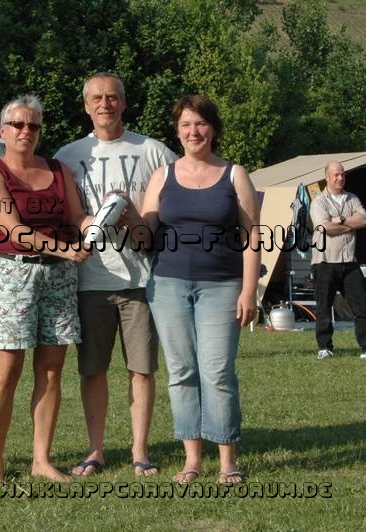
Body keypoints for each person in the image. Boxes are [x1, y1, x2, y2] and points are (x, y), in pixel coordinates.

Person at [53, 72, 177, 478]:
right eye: (96, 98)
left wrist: (134, 218)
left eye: (112, 97)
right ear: (86, 105)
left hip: (141, 281)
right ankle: (95, 451)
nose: (104, 104)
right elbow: (64, 217)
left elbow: (175, 208)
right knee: (93, 370)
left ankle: (140, 451)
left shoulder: (153, 151)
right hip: (90, 280)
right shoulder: (68, 156)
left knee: (142, 369)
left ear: (124, 102)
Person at [139, 94, 261, 485]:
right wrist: (123, 212)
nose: (194, 132)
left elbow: (251, 235)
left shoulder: (234, 174)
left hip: (222, 286)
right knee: (181, 371)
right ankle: (192, 460)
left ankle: (228, 461)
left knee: (217, 372)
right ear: (178, 132)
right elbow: (144, 236)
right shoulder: (162, 176)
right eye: (186, 125)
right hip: (168, 285)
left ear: (213, 128)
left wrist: (248, 290)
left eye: (201, 123)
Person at [0, 95, 92, 484]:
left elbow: (77, 217)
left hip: (59, 277)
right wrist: (64, 248)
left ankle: (41, 459)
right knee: (6, 373)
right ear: (3, 131)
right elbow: (12, 230)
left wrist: (102, 219)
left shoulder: (60, 170)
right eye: (19, 125)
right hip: (12, 274)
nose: (27, 131)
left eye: (34, 126)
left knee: (50, 372)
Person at [309, 161, 366, 360]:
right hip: (324, 262)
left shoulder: (352, 198)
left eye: (342, 174)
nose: (340, 178)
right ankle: (324, 347)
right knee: (324, 307)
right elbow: (324, 228)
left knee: (361, 306)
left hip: (349, 261)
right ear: (327, 177)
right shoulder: (319, 202)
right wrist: (351, 224)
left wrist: (340, 220)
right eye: (336, 175)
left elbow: (365, 220)